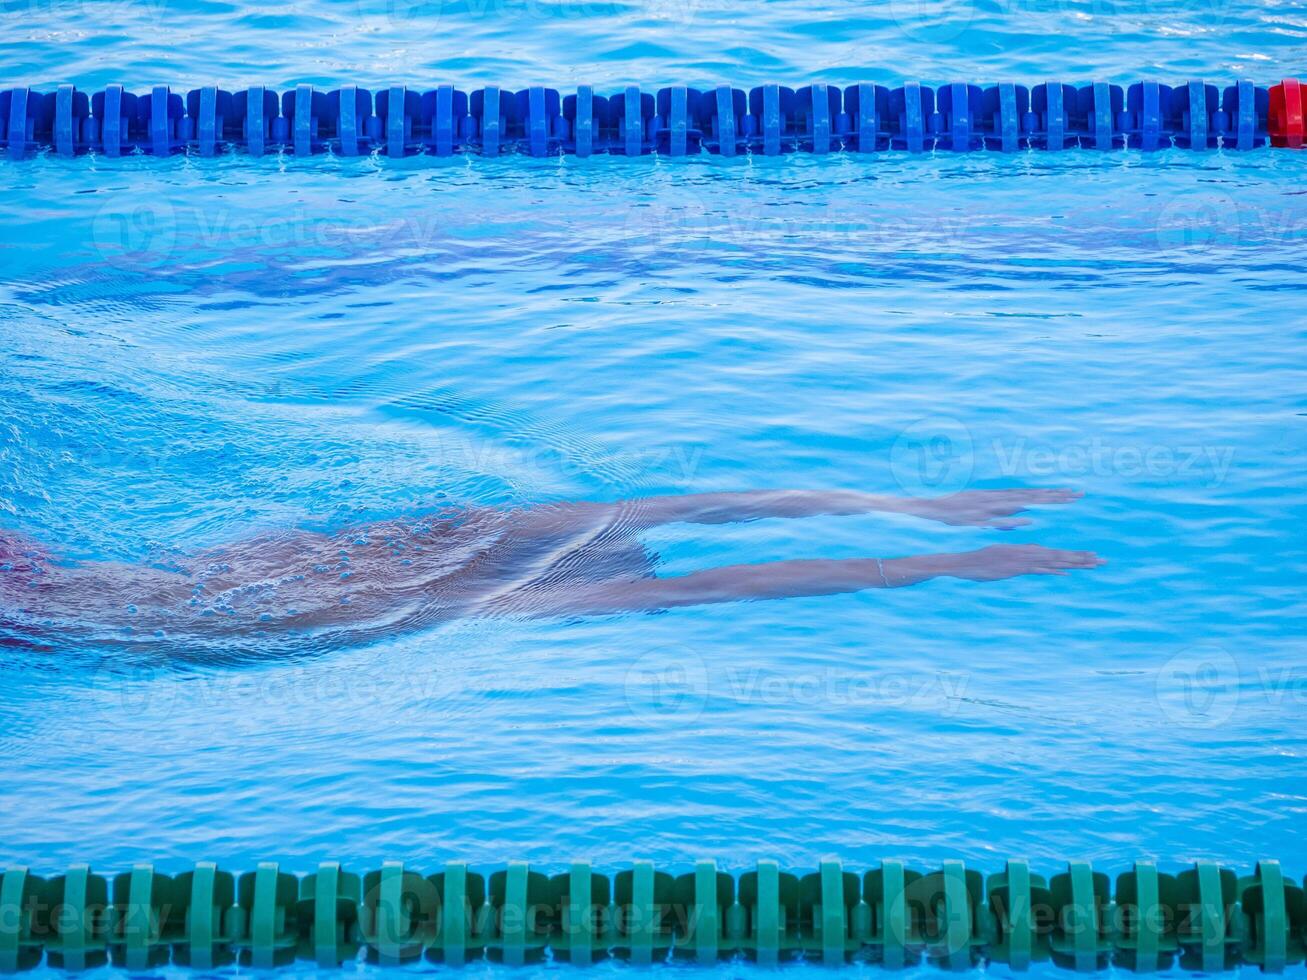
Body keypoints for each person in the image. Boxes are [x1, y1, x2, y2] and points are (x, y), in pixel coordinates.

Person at [0, 488, 1102, 655]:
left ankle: (942, 542)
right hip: (321, 563)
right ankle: (937, 522)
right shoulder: (34, 580)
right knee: (650, 521)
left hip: (346, 592)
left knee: (668, 582)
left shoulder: (33, 614)